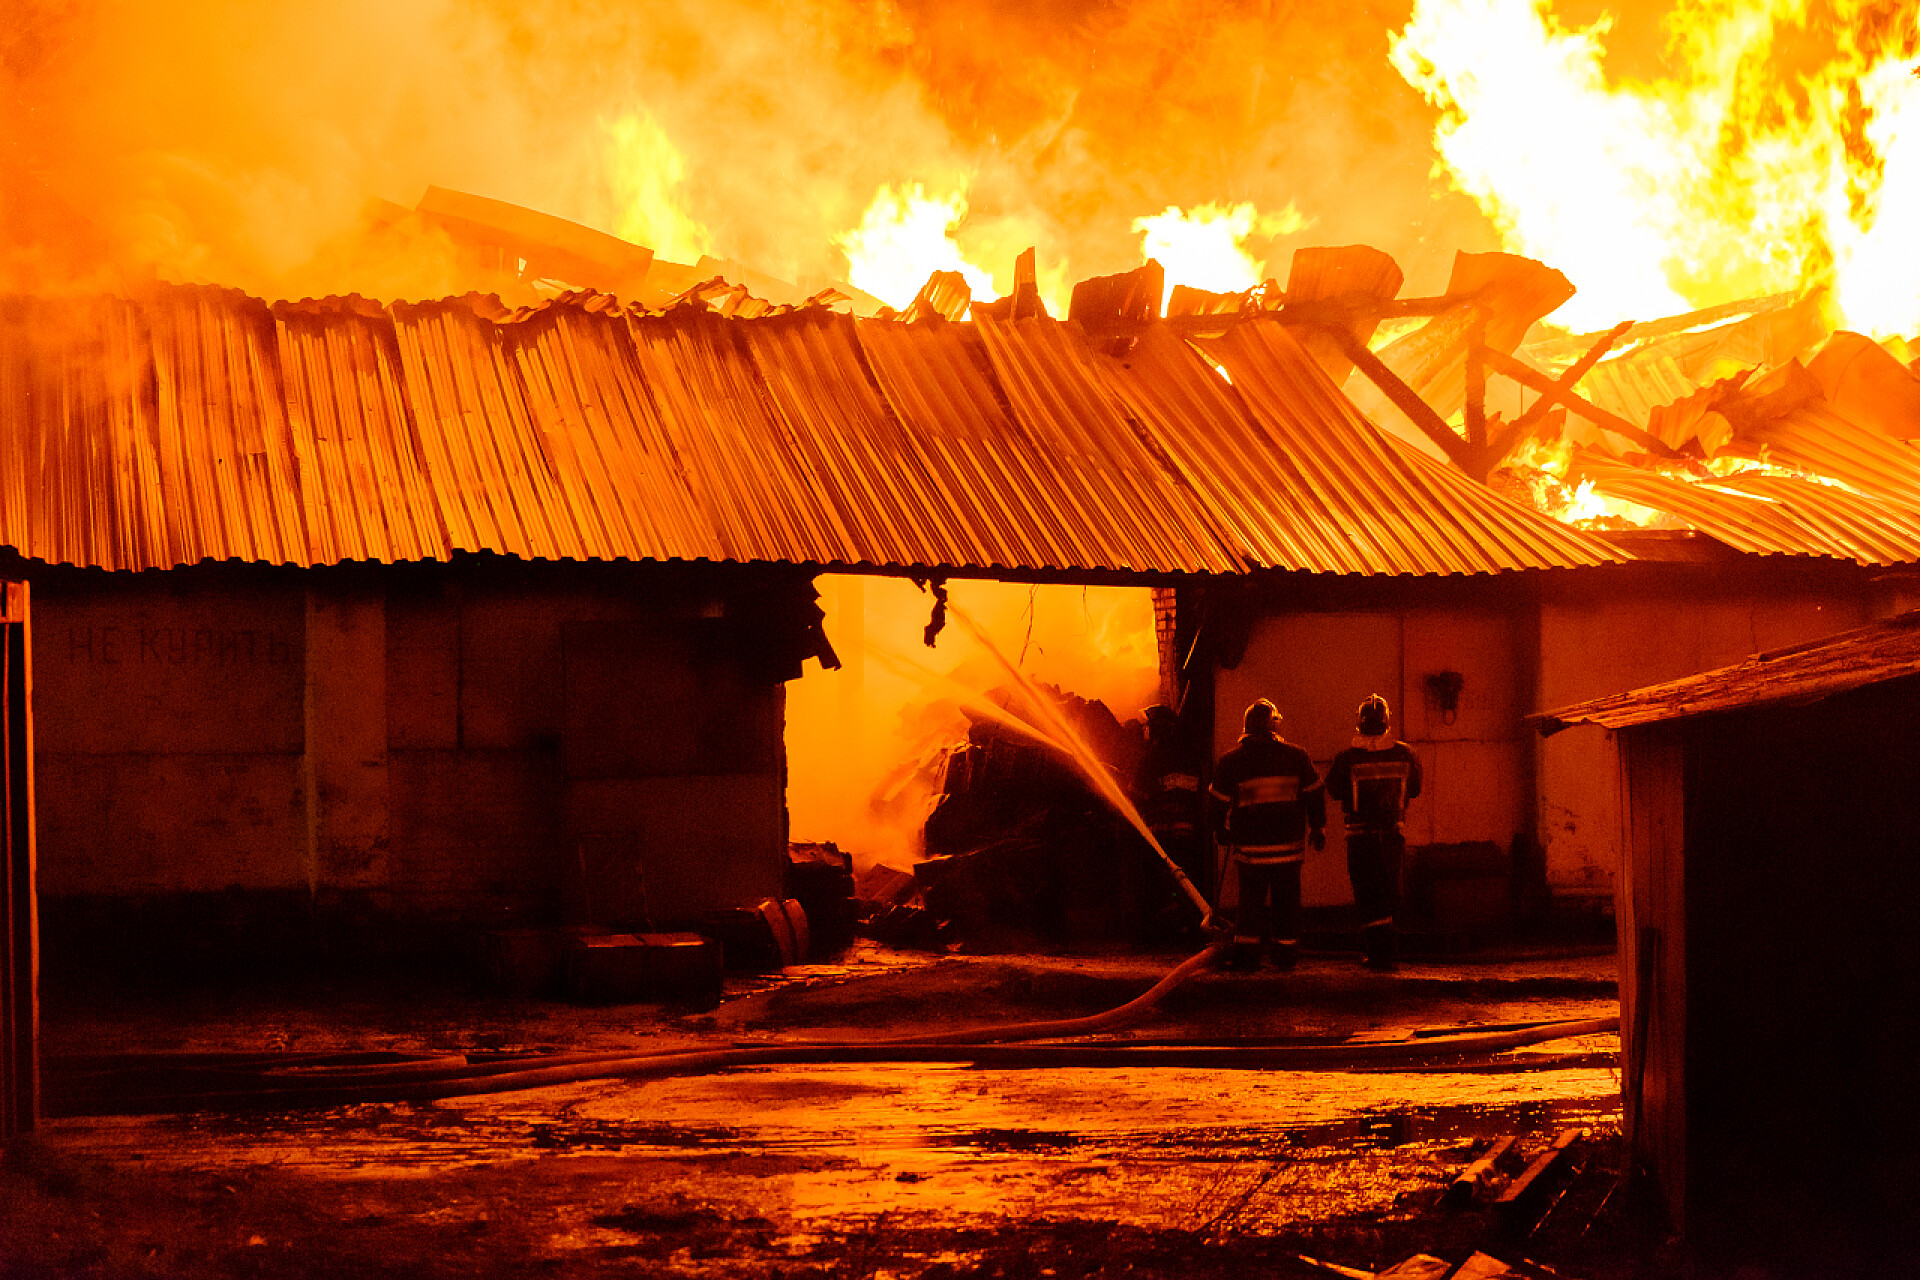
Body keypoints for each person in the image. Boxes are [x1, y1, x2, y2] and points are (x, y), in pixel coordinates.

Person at [1209, 699, 1325, 970]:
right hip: (1288, 849)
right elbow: (1315, 793)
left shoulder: (1232, 761)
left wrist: (1219, 829)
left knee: (1249, 904)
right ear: (1275, 725)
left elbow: (1216, 801)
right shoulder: (1296, 756)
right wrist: (1318, 827)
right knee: (1287, 903)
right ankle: (1285, 956)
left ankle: (1247, 957)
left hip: (1250, 852)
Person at [1326, 694, 1423, 972]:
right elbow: (1415, 789)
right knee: (1391, 891)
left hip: (1360, 837)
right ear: (1387, 721)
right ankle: (1389, 951)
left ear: (1359, 723)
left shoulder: (1347, 759)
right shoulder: (1406, 753)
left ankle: (1379, 954)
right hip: (1393, 834)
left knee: (1368, 894)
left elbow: (1333, 790)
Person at [1131, 704, 1208, 909]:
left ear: (1158, 728)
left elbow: (1137, 795)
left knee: (1160, 883)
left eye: (1148, 726)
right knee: (1186, 881)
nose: (1145, 730)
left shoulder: (1150, 758)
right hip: (1188, 833)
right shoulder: (1190, 755)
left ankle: (1164, 927)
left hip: (1160, 835)